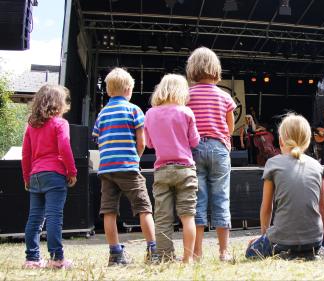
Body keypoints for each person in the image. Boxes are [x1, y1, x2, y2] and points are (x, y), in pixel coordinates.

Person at [92, 67, 157, 266]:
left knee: (109, 211)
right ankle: (153, 251)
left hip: (107, 169)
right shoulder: (134, 110)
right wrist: (135, 158)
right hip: (128, 167)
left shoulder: (102, 114)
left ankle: (115, 254)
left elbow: (98, 141)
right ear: (129, 89)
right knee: (144, 208)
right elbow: (142, 142)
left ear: (109, 91)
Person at [245, 113, 324, 260]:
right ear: (307, 141)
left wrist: (264, 238)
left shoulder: (272, 164)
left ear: (280, 140)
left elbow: (267, 208)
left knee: (251, 250)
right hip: (314, 242)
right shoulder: (317, 166)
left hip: (281, 242)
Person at [185, 47, 236, 262]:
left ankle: (197, 253)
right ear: (215, 69)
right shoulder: (224, 96)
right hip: (219, 148)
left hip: (195, 149)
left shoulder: (186, 95)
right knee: (221, 197)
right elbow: (230, 127)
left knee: (198, 200)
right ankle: (223, 252)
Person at [144, 74, 200, 263]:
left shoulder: (150, 113)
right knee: (187, 216)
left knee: (162, 218)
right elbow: (194, 141)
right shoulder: (186, 112)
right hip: (185, 170)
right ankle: (188, 259)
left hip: (161, 170)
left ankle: (166, 258)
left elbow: (149, 144)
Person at [21, 84, 77, 269]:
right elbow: (64, 147)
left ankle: (32, 259)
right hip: (54, 174)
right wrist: (72, 171)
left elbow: (26, 155)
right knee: (54, 216)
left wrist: (27, 177)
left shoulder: (31, 126)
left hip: (35, 175)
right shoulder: (60, 123)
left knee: (35, 219)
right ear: (59, 104)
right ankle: (57, 259)